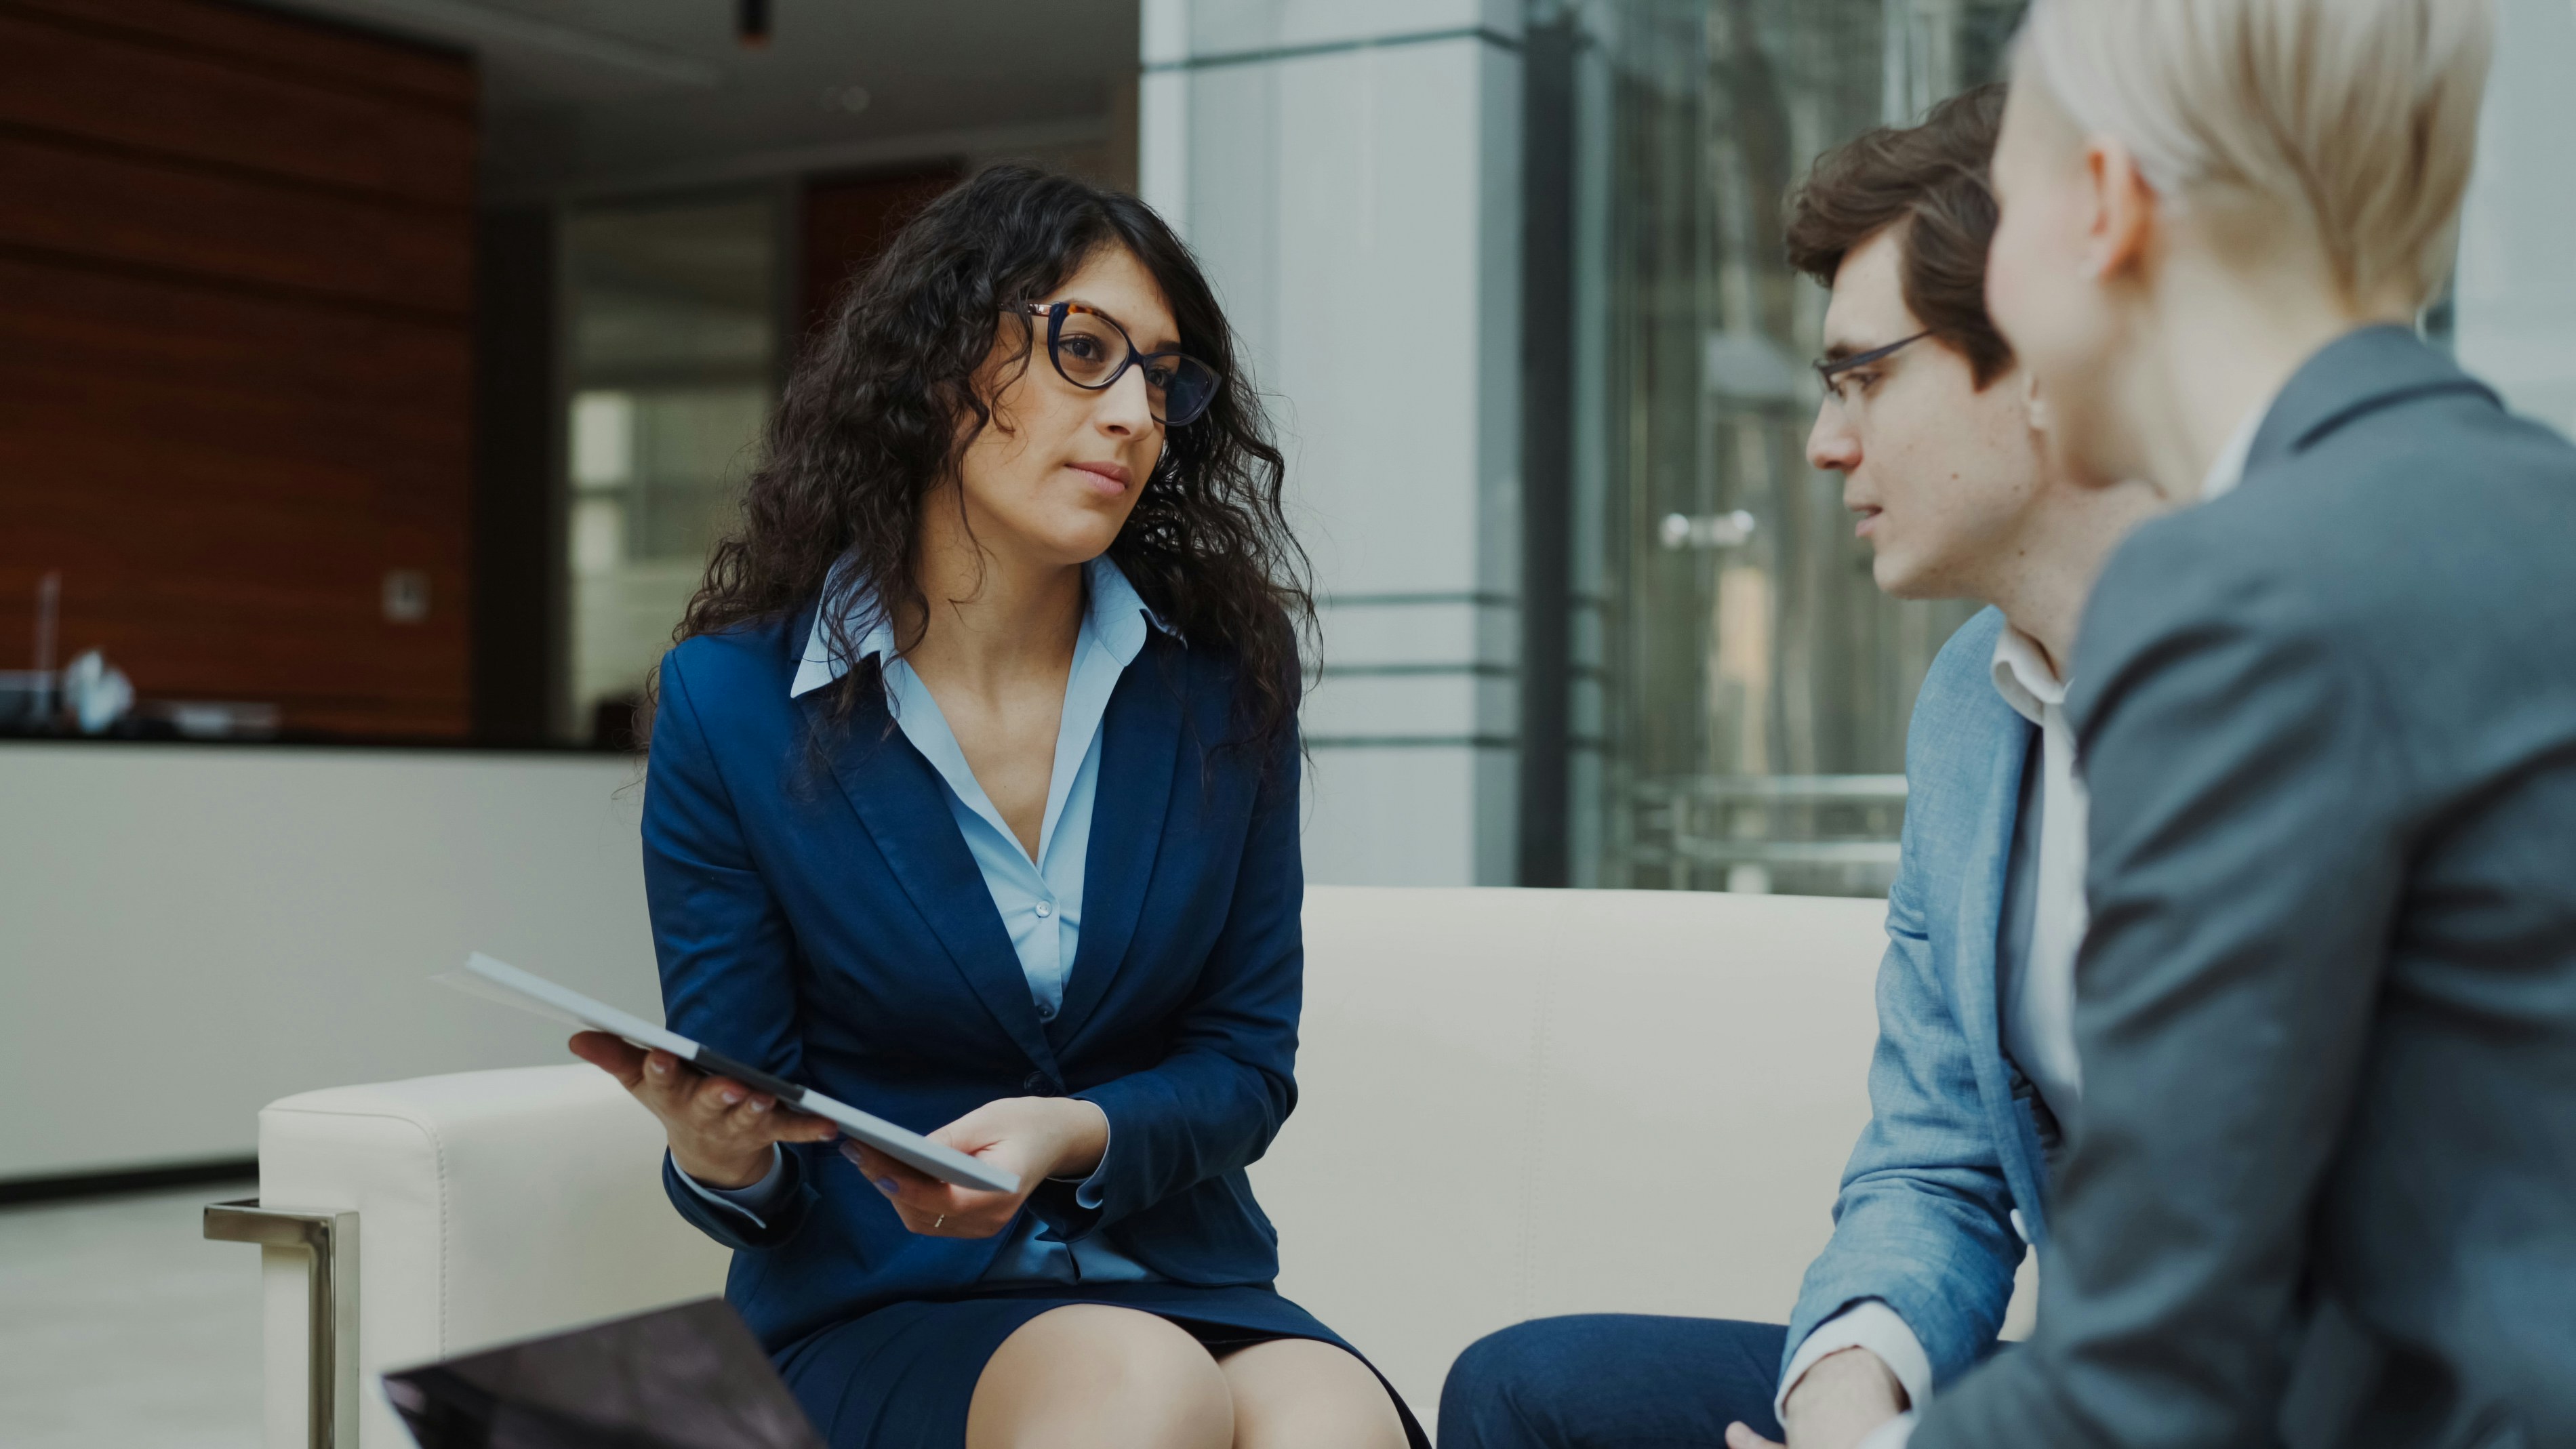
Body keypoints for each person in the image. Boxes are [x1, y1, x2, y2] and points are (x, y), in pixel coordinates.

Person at [567, 166, 1423, 1449]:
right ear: (939, 365)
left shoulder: (1221, 686)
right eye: (1085, 351)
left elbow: (1246, 1066)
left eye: (1162, 376)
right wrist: (722, 1152)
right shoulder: (731, 705)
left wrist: (1074, 1132)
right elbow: (756, 1136)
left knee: (1334, 1423)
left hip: (1187, 1277)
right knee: (1137, 1385)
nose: (1136, 412)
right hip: (879, 1309)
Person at [1437, 85, 2169, 1449]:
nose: (1827, 441)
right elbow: (1938, 1164)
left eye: (1864, 376)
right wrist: (1850, 1397)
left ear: (2045, 356)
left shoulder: (2306, 669)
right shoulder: (1972, 709)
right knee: (1528, 1391)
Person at [1890, 1, 2576, 1446]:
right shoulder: (2532, 519)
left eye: (2001, 213)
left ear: (2105, 209)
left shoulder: (2229, 595)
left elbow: (2152, 1375)